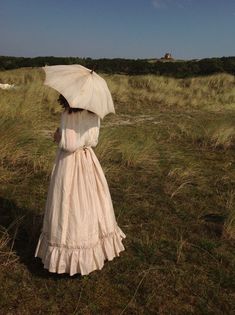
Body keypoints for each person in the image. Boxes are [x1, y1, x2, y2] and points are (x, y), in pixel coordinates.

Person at [34, 94, 126, 276]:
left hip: (69, 162)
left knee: (69, 201)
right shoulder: (94, 114)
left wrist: (58, 136)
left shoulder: (68, 114)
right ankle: (94, 245)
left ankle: (70, 252)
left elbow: (69, 145)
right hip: (87, 159)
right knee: (90, 201)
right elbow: (93, 141)